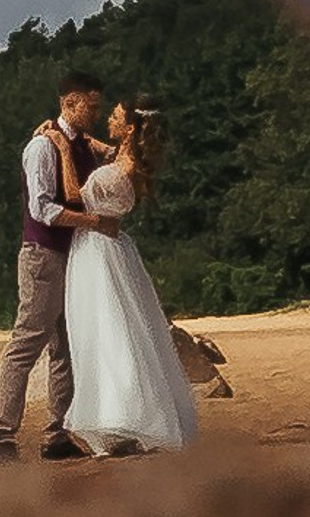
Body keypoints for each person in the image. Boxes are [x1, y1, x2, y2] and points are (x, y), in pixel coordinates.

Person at [43, 95, 198, 455]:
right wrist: (80, 139)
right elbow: (104, 149)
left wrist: (61, 148)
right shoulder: (128, 160)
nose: (107, 121)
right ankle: (117, 417)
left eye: (114, 116)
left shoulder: (120, 168)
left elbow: (72, 196)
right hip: (110, 249)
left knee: (104, 331)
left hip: (96, 250)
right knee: (118, 328)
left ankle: (118, 415)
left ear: (129, 128)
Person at [0, 70, 116, 461]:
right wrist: (94, 223)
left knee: (66, 347)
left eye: (97, 107)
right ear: (68, 103)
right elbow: (41, 209)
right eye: (90, 106)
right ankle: (1, 433)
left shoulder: (83, 147)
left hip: (71, 257)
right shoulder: (41, 147)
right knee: (28, 341)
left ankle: (55, 433)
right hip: (43, 255)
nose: (95, 113)